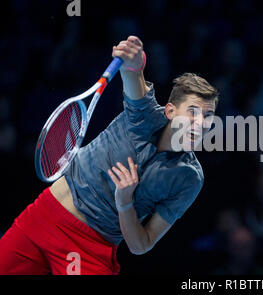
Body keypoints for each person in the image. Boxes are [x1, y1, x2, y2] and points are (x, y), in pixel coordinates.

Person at [0, 36, 219, 275]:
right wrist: (134, 62)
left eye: (208, 116)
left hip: (90, 248)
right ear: (169, 111)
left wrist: (125, 203)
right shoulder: (144, 115)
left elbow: (141, 244)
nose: (200, 123)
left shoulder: (189, 178)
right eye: (193, 112)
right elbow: (135, 78)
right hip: (43, 218)